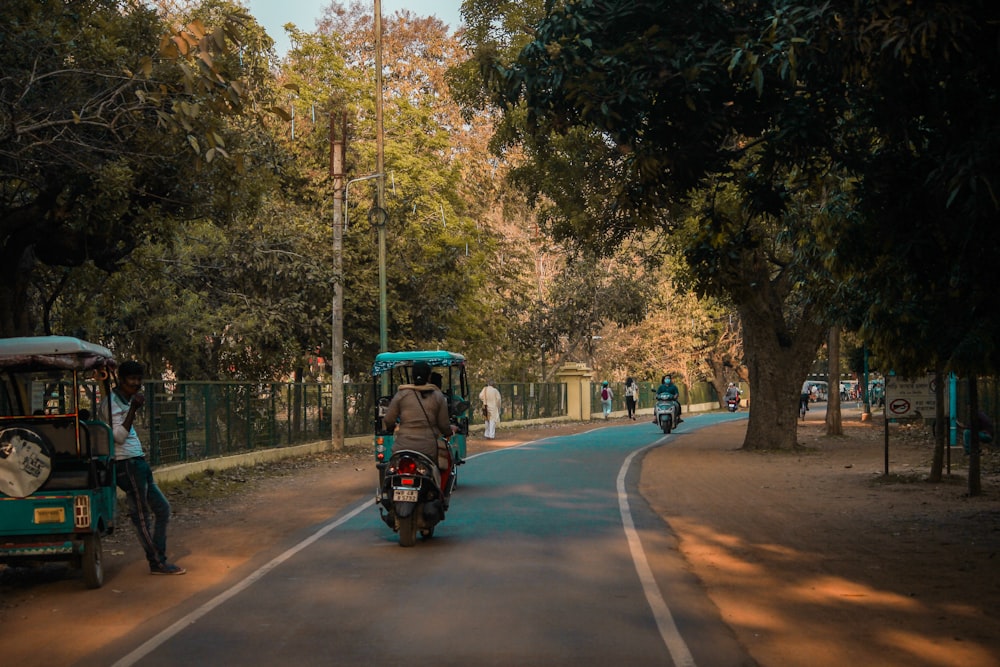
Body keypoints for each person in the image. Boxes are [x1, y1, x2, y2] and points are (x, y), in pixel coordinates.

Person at [103, 361, 185, 575]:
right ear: (122, 380)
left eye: (139, 379)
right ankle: (157, 562)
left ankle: (158, 555)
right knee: (141, 517)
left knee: (163, 509)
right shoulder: (111, 403)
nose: (137, 384)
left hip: (138, 462)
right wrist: (133, 409)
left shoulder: (125, 400)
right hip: (126, 464)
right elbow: (119, 438)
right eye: (132, 379)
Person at [383, 362, 456, 479]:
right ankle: (440, 495)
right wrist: (448, 432)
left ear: (412, 377)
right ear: (429, 377)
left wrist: (392, 427)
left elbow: (388, 419)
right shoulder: (437, 396)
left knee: (391, 472)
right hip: (428, 449)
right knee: (442, 471)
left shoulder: (401, 394)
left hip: (402, 447)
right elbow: (443, 424)